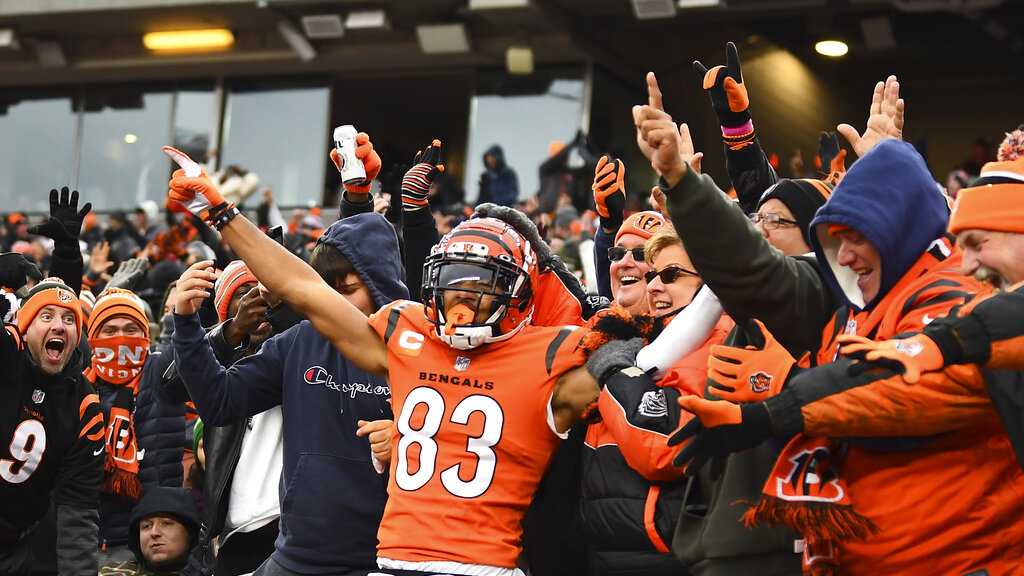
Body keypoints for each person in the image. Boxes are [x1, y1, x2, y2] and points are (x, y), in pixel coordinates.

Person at [636, 69, 1023, 573]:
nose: (847, 255)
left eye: (859, 234)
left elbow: (904, 391)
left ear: (897, 227)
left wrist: (784, 391)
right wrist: (683, 186)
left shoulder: (954, 297)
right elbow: (755, 274)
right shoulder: (850, 300)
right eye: (836, 239)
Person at [164, 148, 604, 576]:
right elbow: (304, 288)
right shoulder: (409, 337)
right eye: (451, 285)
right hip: (381, 559)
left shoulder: (546, 354)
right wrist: (219, 211)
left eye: (478, 289)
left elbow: (645, 367)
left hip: (467, 561)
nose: (462, 303)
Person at [173, 210, 404, 576]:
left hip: (382, 559)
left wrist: (406, 441)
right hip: (295, 557)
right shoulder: (300, 341)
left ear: (381, 284)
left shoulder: (414, 350)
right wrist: (185, 322)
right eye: (327, 291)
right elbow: (220, 401)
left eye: (347, 291)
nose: (334, 303)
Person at [578, 228, 731, 576]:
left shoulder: (720, 340)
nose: (654, 286)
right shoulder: (640, 338)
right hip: (614, 551)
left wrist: (616, 372)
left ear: (709, 283)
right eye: (654, 275)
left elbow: (662, 449)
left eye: (671, 275)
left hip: (662, 555)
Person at [0, 188, 104, 576]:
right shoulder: (7, 356)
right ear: (22, 330)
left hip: (20, 544)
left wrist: (65, 258)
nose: (59, 325)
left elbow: (78, 514)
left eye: (69, 321)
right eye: (45, 319)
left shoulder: (84, 406)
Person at [99, 486, 200, 576]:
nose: (154, 533)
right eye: (146, 526)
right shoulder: (113, 572)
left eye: (166, 523)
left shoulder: (208, 571)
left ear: (190, 532)